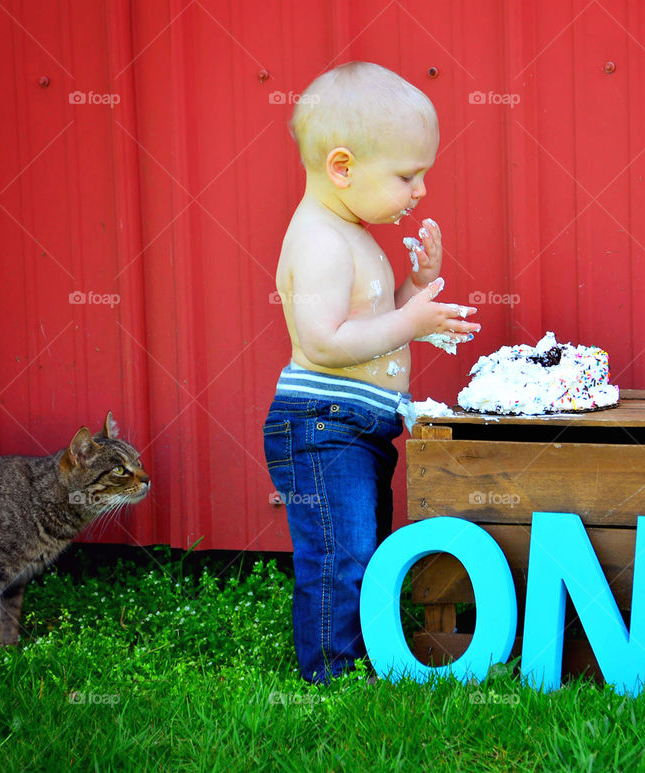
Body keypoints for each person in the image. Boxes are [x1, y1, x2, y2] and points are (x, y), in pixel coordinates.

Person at [262, 61, 479, 684]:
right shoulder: (320, 241)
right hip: (322, 426)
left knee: (363, 549)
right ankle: (331, 676)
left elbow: (374, 318)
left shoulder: (351, 232)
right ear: (343, 167)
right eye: (408, 176)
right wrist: (412, 321)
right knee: (340, 554)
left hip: (354, 428)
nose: (421, 191)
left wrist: (416, 288)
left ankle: (360, 656)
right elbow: (324, 342)